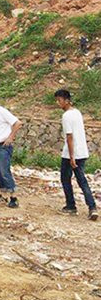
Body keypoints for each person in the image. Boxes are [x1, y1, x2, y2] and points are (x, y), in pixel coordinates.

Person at [54, 89, 98, 220]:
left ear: (66, 100)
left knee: (65, 179)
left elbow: (69, 137)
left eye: (59, 100)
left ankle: (71, 206)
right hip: (82, 151)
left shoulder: (66, 116)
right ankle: (92, 207)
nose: (58, 103)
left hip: (71, 154)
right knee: (82, 180)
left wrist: (72, 156)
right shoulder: (77, 112)